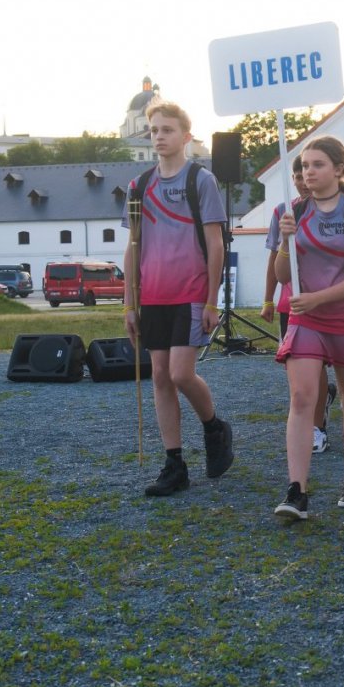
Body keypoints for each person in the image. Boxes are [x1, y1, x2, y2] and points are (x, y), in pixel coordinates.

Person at [272, 136, 344, 519]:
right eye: (305, 165)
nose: (308, 172)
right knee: (301, 398)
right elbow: (281, 274)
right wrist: (285, 241)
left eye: (317, 164)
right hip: (306, 318)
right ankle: (297, 490)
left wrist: (318, 298)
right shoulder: (292, 211)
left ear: (339, 169)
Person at [123, 101, 233, 497]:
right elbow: (132, 246)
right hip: (153, 295)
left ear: (185, 136)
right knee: (159, 376)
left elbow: (216, 244)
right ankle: (174, 463)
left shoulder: (200, 180)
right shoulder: (138, 186)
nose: (159, 137)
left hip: (190, 291)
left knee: (181, 374)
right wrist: (129, 303)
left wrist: (212, 300)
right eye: (153, 130)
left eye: (167, 129)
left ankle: (214, 427)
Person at [262, 156, 335, 454]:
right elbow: (273, 257)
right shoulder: (283, 211)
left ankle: (319, 423)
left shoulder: (333, 208)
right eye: (298, 176)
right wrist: (268, 298)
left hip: (325, 299)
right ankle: (312, 420)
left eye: (308, 174)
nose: (304, 181)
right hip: (291, 303)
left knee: (323, 366)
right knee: (299, 367)